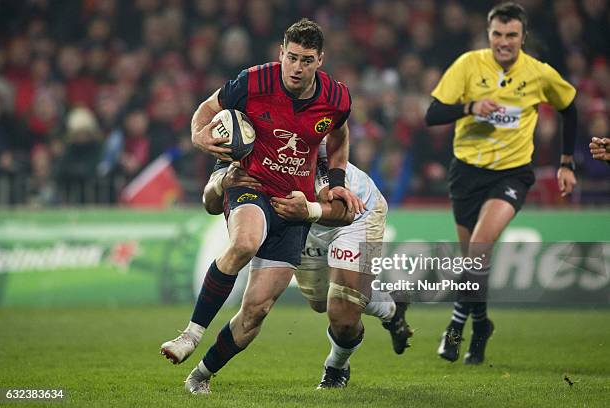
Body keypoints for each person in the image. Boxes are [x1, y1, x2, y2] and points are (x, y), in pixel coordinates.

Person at [160, 18, 364, 394]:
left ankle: (200, 375)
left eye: (306, 60)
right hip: (250, 183)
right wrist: (200, 138)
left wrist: (335, 184)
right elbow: (206, 109)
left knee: (256, 312)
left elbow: (338, 136)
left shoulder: (336, 98)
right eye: (291, 58)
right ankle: (190, 334)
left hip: (293, 205)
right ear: (280, 54)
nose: (296, 68)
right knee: (244, 242)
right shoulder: (254, 81)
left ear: (320, 60)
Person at [425, 2, 577, 365]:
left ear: (523, 37)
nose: (503, 42)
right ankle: (481, 327)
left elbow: (570, 107)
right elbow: (432, 114)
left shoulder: (539, 74)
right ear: (488, 34)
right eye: (497, 34)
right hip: (465, 172)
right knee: (474, 264)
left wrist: (566, 162)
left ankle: (456, 328)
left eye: (511, 35)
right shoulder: (468, 65)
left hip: (511, 173)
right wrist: (470, 107)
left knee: (480, 246)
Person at [204, 139, 413, 389]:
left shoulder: (308, 139)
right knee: (321, 303)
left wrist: (308, 211)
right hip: (300, 221)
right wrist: (221, 182)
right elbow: (211, 202)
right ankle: (389, 307)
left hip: (356, 213)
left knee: (343, 316)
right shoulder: (245, 142)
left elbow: (342, 209)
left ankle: (336, 367)